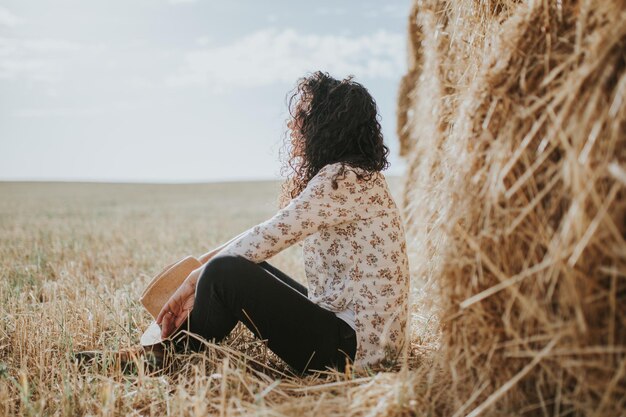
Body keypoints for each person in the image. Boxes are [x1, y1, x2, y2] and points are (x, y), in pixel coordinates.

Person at [156, 71, 411, 375]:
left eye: (302, 116)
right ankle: (176, 349)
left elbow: (269, 235)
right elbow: (265, 235)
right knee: (242, 267)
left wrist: (194, 280)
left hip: (352, 353)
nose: (292, 125)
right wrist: (201, 267)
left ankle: (168, 359)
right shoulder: (354, 177)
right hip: (358, 341)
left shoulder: (343, 179)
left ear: (326, 125)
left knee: (225, 273)